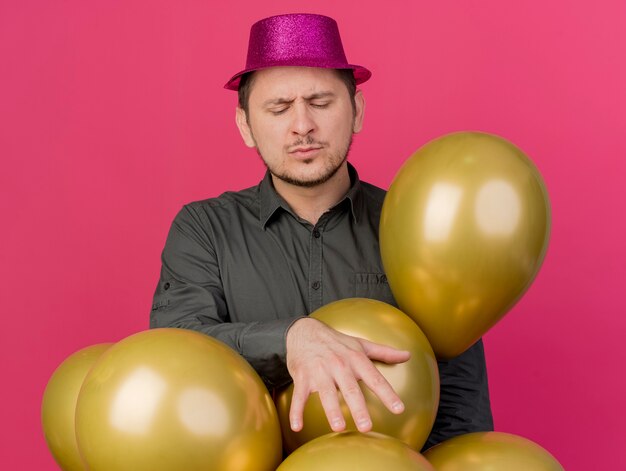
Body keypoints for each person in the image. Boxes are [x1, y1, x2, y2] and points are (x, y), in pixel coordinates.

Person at [150, 13, 493, 450]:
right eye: (278, 108)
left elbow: (460, 403)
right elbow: (175, 345)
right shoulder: (204, 229)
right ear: (245, 126)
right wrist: (290, 338)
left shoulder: (420, 228)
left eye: (321, 102)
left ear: (358, 111)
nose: (302, 126)